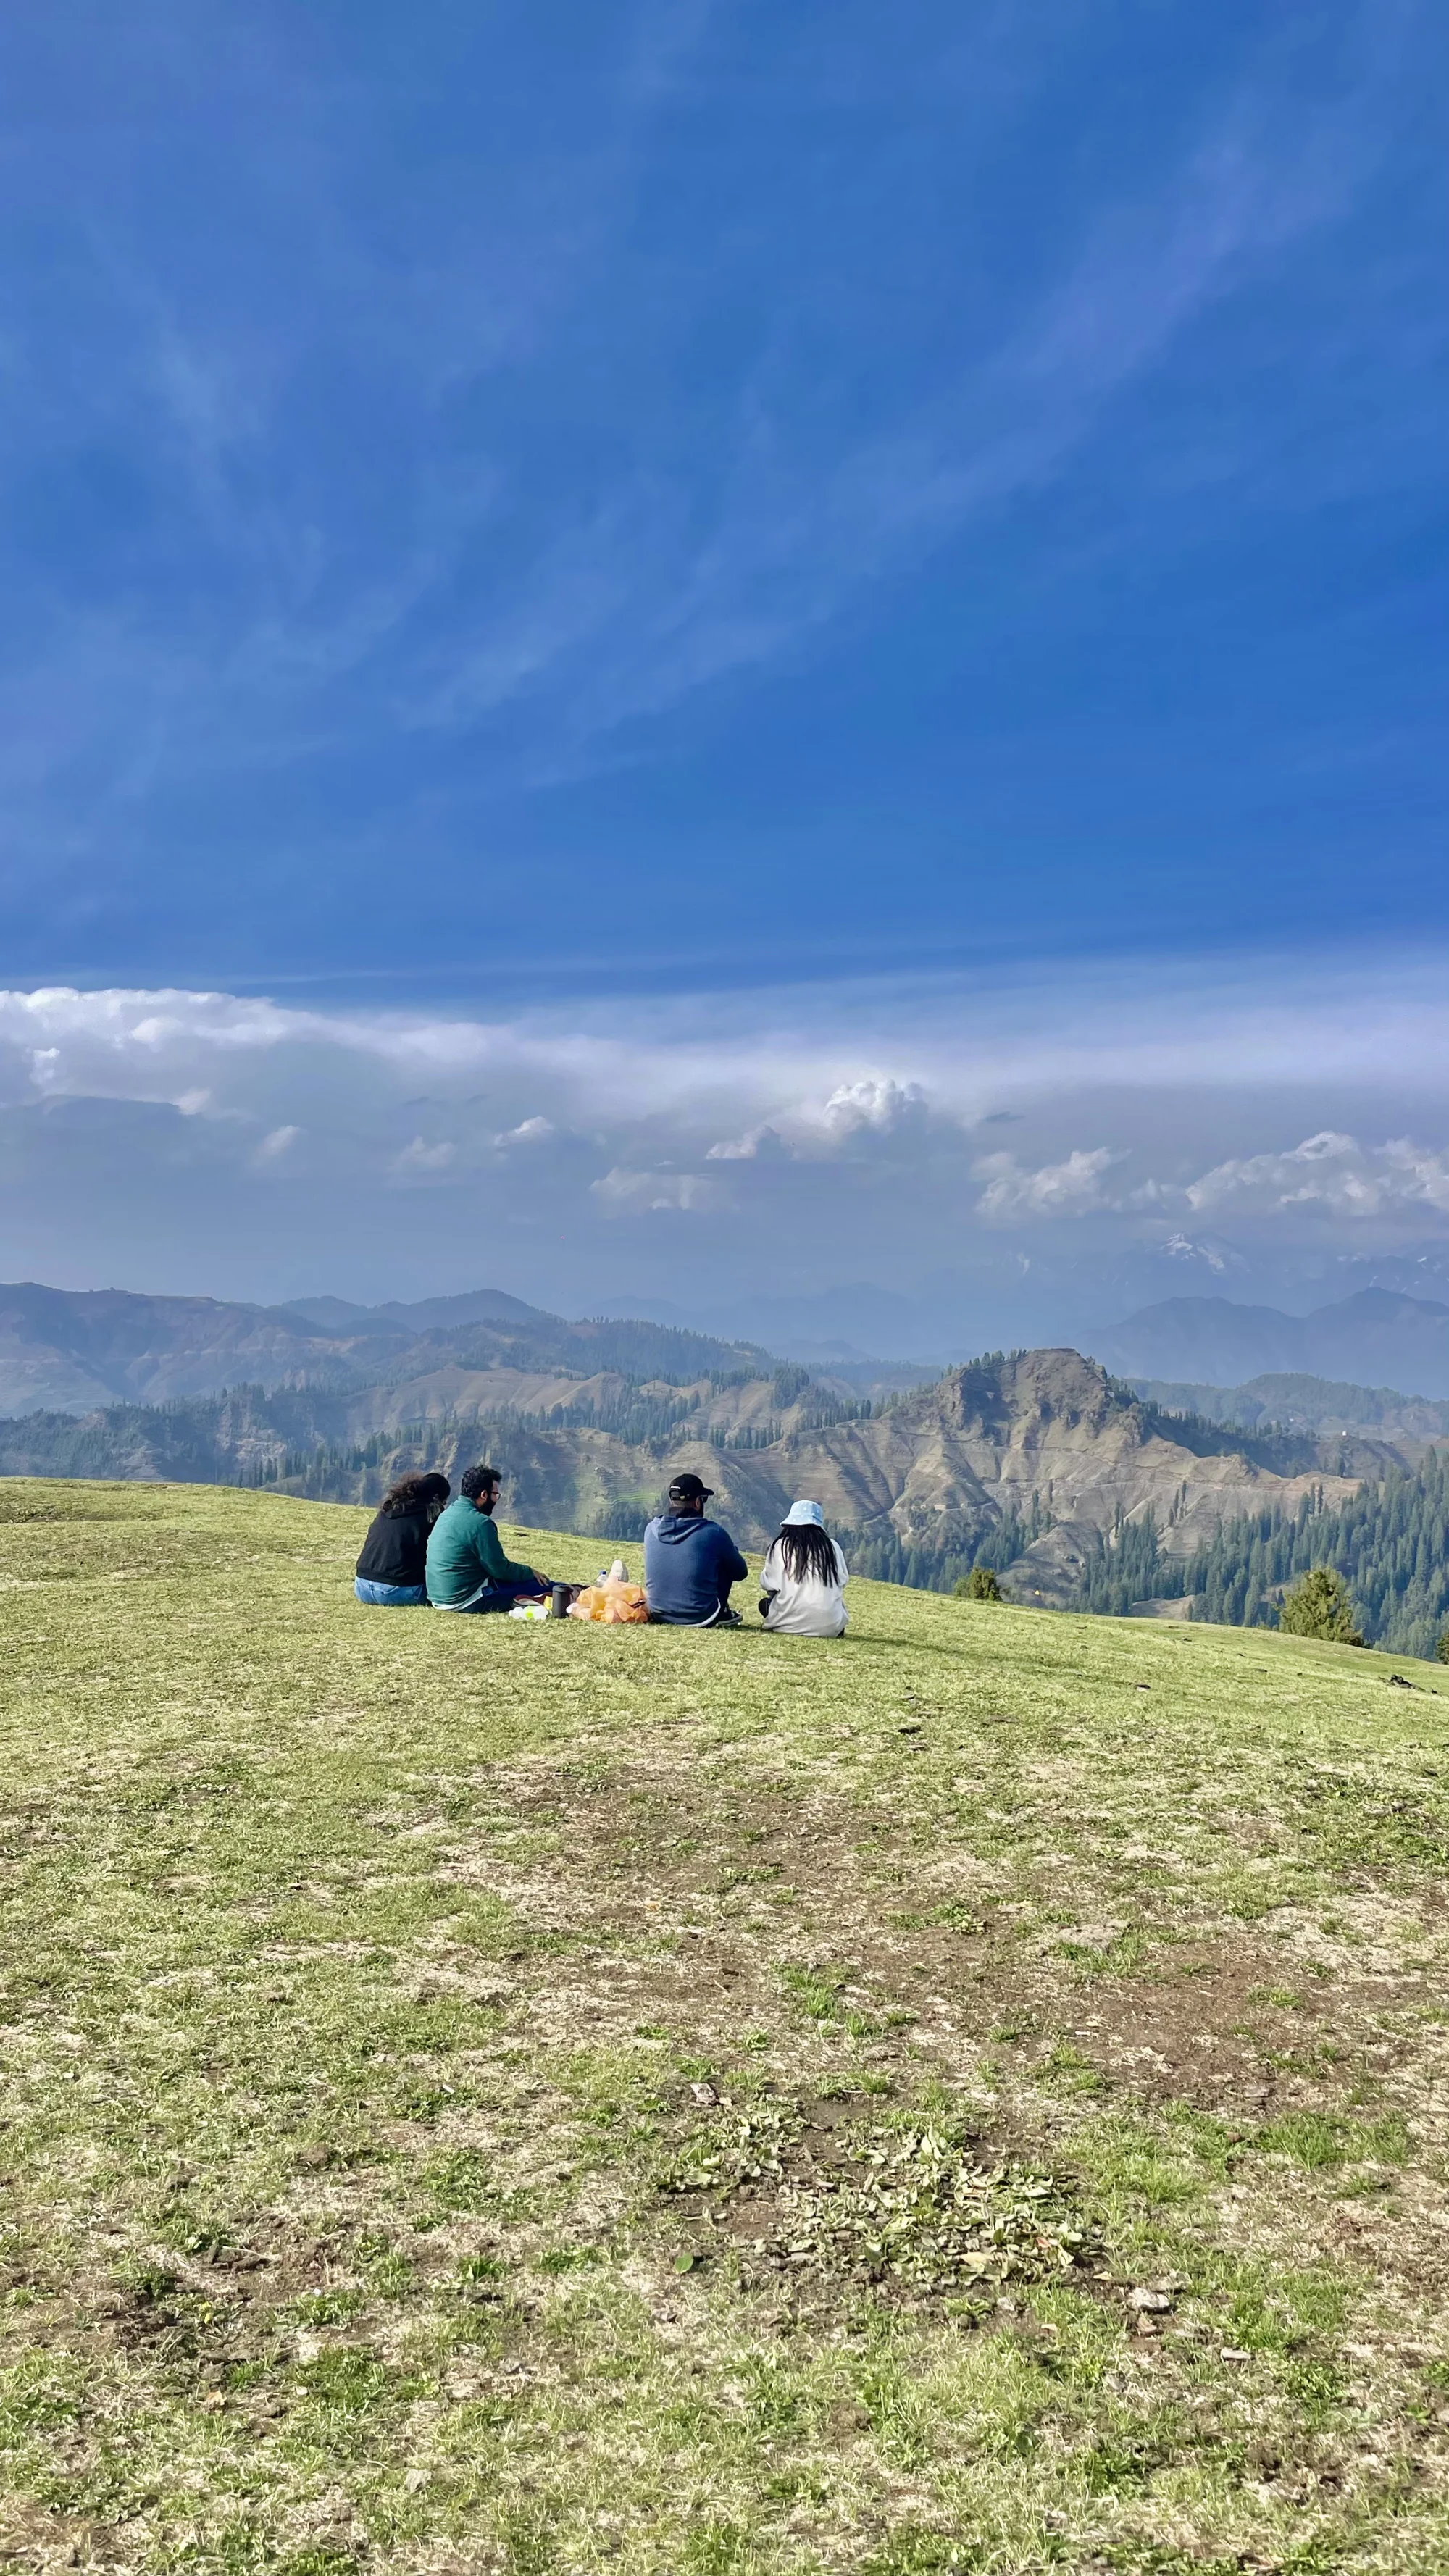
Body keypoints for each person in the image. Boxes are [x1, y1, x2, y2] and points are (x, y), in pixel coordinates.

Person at [425, 1463, 551, 1613]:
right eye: (495, 1495)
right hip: (465, 1600)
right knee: (541, 1586)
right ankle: (570, 1591)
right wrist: (529, 1572)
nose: (496, 1500)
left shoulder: (447, 1514)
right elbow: (499, 1569)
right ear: (484, 1495)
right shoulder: (481, 1523)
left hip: (438, 1599)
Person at [643, 1473, 748, 1627]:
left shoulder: (651, 1529)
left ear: (671, 1501)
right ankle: (722, 1612)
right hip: (702, 1618)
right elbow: (740, 1573)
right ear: (698, 1502)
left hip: (658, 1613)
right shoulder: (713, 1532)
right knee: (726, 1558)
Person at [354, 1471, 451, 1606]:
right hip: (396, 1590)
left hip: (361, 1586)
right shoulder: (430, 1517)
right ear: (436, 1499)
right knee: (450, 1593)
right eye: (444, 1502)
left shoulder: (387, 1509)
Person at [758, 1500, 848, 1637]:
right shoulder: (832, 1547)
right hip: (831, 1627)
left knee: (764, 1604)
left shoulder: (780, 1547)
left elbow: (769, 1584)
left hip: (786, 1624)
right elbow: (842, 1580)